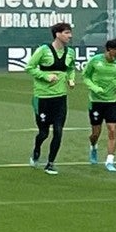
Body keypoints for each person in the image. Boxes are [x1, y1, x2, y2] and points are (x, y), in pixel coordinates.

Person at [26, 22, 77, 174]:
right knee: (44, 133)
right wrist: (45, 76)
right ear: (58, 34)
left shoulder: (70, 52)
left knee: (59, 130)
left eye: (70, 33)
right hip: (42, 98)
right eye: (67, 33)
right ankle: (36, 151)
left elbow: (70, 68)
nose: (70, 36)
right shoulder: (43, 50)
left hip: (60, 98)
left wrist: (71, 78)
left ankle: (50, 163)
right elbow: (29, 67)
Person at [83, 38, 116, 172]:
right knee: (96, 133)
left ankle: (110, 160)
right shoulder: (95, 61)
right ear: (109, 50)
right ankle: (93, 146)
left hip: (112, 102)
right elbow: (86, 77)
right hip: (96, 102)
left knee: (112, 130)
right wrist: (94, 88)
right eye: (115, 51)